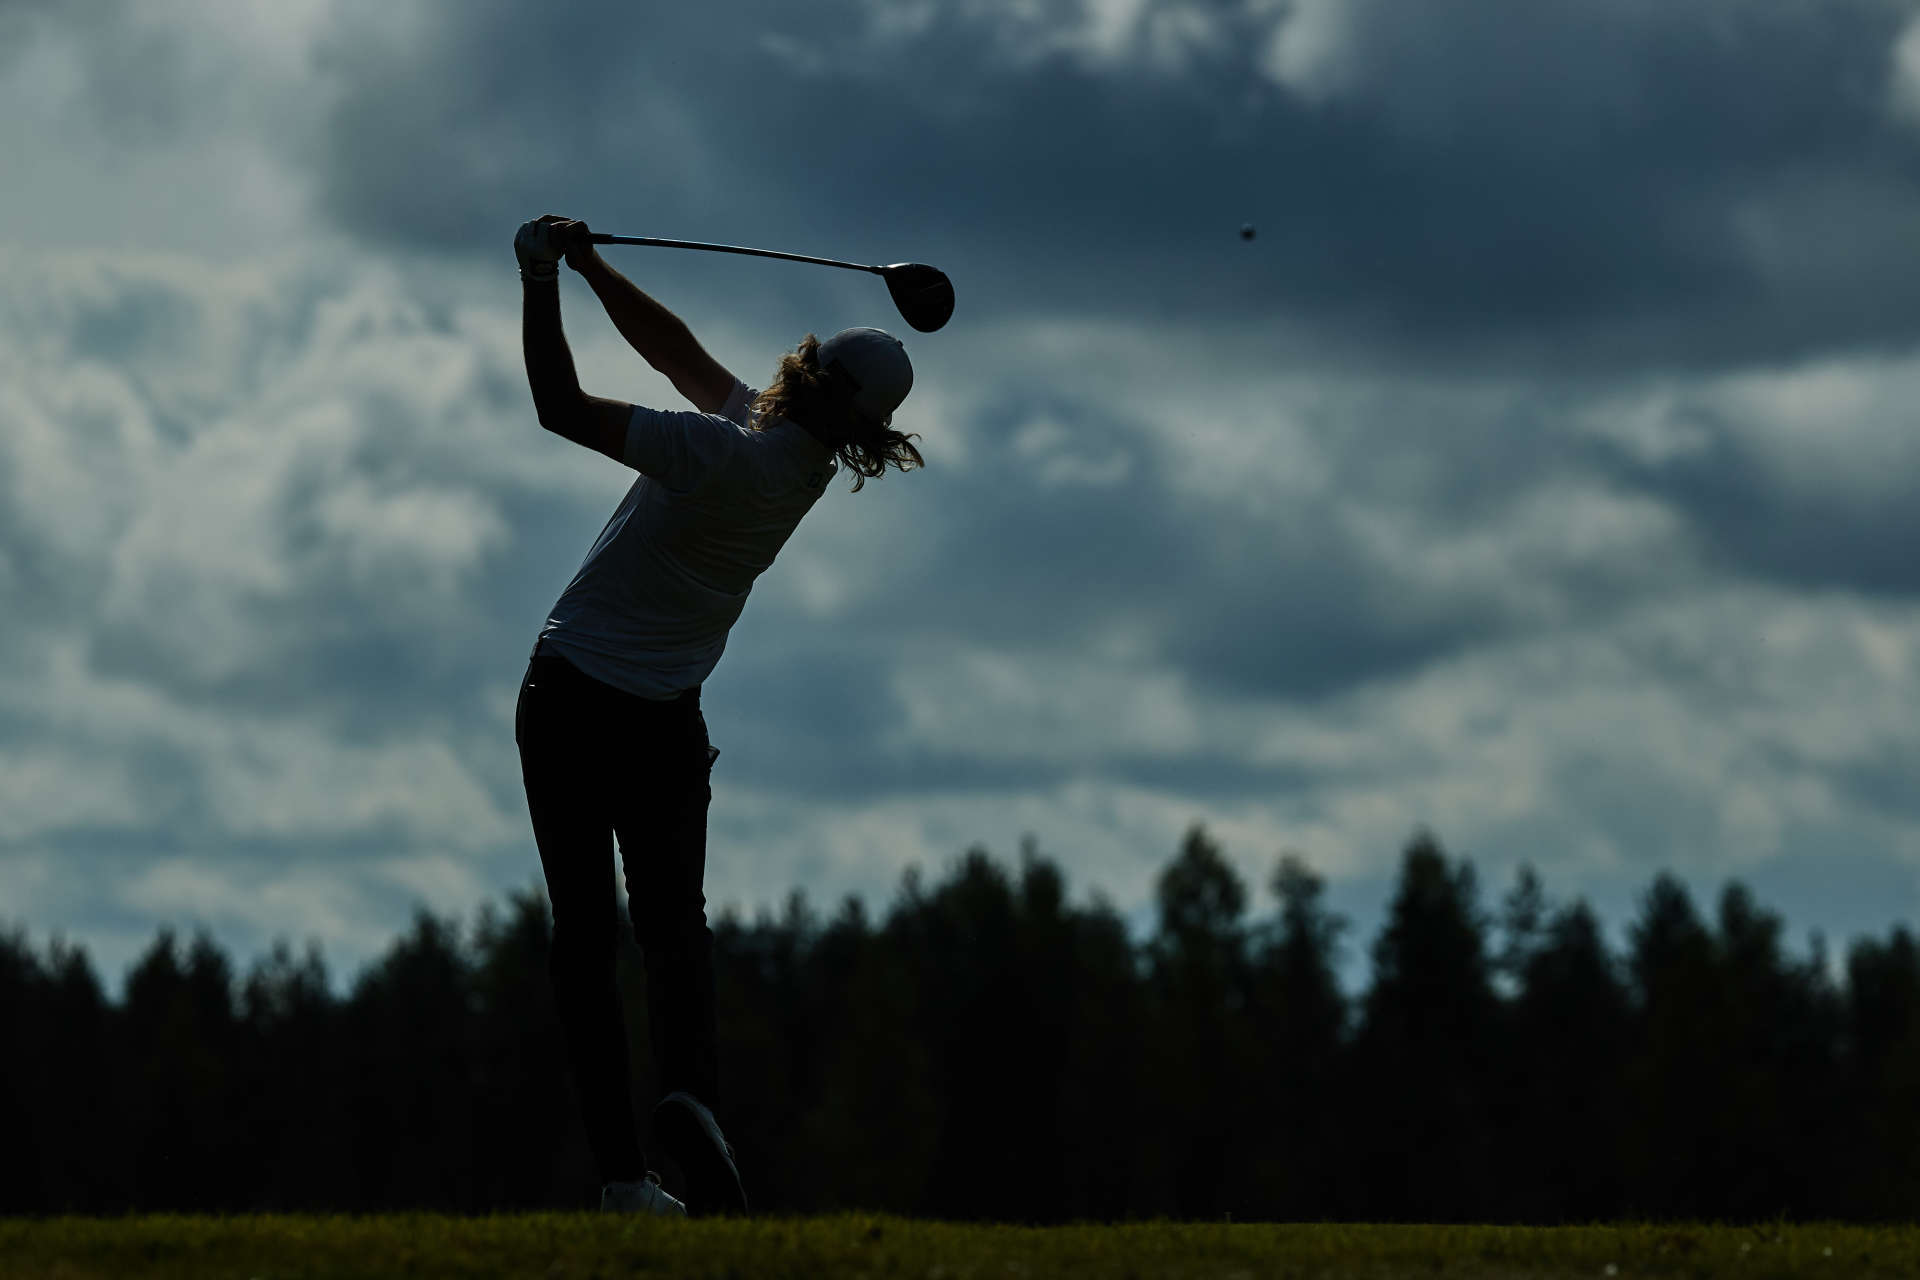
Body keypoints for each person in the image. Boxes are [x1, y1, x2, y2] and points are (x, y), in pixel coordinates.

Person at [511, 214, 924, 1215]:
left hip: (569, 696)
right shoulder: (793, 463)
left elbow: (558, 406)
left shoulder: (721, 453)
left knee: (583, 935)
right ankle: (688, 1098)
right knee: (671, 928)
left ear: (804, 373)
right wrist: (595, 265)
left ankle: (621, 1176)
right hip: (664, 719)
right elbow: (680, 353)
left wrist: (538, 279)